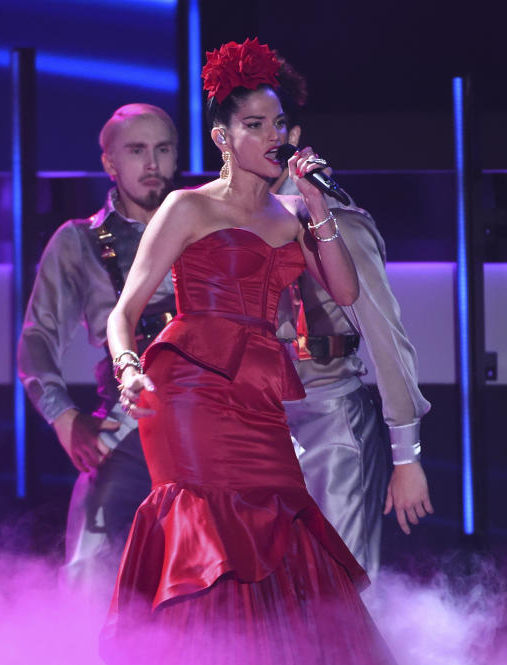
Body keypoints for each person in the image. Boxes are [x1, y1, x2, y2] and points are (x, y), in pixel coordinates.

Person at [102, 39, 393, 663]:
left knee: (284, 523)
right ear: (222, 137)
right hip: (188, 390)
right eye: (253, 124)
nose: (271, 135)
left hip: (259, 397)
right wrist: (128, 369)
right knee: (209, 529)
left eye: (278, 124)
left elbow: (344, 291)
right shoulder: (187, 207)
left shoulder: (293, 215)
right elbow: (123, 313)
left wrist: (317, 205)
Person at [270, 59, 432, 575]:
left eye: (267, 124)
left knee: (340, 594)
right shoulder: (217, 223)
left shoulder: (338, 224)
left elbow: (386, 338)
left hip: (331, 424)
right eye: (242, 125)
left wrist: (406, 456)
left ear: (291, 135)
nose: (254, 138)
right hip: (254, 431)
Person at [17, 104, 178, 594]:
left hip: (217, 427)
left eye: (163, 149)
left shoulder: (210, 226)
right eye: (136, 151)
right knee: (92, 574)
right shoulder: (78, 242)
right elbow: (36, 340)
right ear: (110, 163)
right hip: (130, 429)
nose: (152, 163)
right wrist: (65, 419)